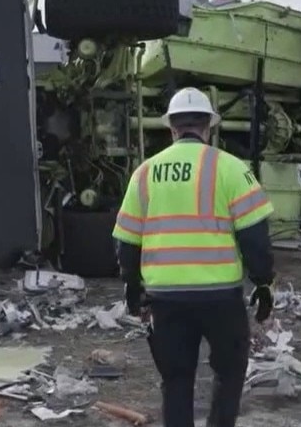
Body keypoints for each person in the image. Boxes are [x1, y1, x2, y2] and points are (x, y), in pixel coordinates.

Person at [111, 87, 277, 427]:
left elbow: (126, 242)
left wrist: (132, 289)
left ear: (172, 127)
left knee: (176, 381)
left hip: (166, 300)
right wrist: (263, 283)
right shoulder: (231, 169)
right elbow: (256, 239)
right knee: (229, 375)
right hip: (222, 298)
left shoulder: (145, 173)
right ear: (209, 127)